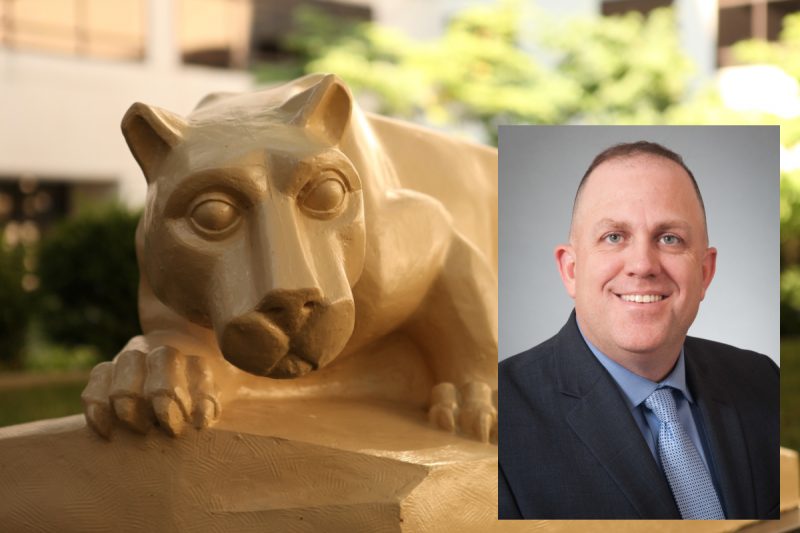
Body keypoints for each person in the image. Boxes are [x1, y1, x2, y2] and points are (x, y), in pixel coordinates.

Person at [498, 141, 779, 520]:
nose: (642, 265)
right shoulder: (500, 417)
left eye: (669, 238)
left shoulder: (762, 380)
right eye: (614, 236)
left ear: (704, 272)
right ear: (571, 270)